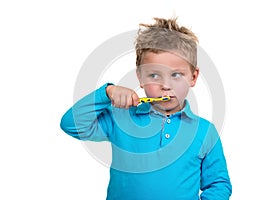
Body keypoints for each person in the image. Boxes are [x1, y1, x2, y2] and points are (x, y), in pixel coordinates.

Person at [60, 17, 232, 200]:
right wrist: (107, 93)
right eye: (154, 75)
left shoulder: (205, 131)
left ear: (193, 77)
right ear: (140, 78)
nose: (166, 85)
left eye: (176, 75)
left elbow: (218, 184)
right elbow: (71, 124)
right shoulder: (121, 118)